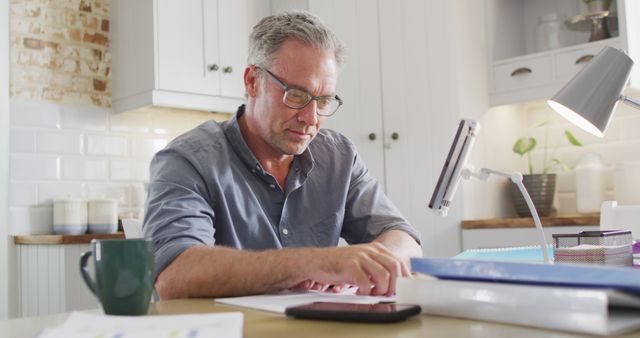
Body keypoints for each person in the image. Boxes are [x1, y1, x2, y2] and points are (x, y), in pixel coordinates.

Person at [143, 11, 422, 300]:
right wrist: (316, 264)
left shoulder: (339, 156)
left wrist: (368, 264)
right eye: (297, 95)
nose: (311, 118)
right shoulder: (188, 160)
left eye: (324, 100)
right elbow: (174, 275)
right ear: (252, 81)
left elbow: (404, 239)